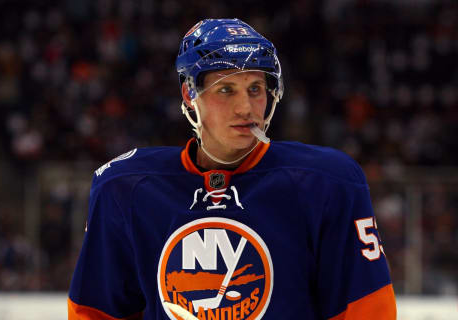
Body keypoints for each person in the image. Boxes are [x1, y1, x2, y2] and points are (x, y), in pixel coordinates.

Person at [68, 18, 396, 319]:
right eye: (226, 90)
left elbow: (369, 311)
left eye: (255, 89)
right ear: (189, 93)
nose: (246, 108)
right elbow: (96, 312)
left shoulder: (326, 182)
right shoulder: (125, 187)